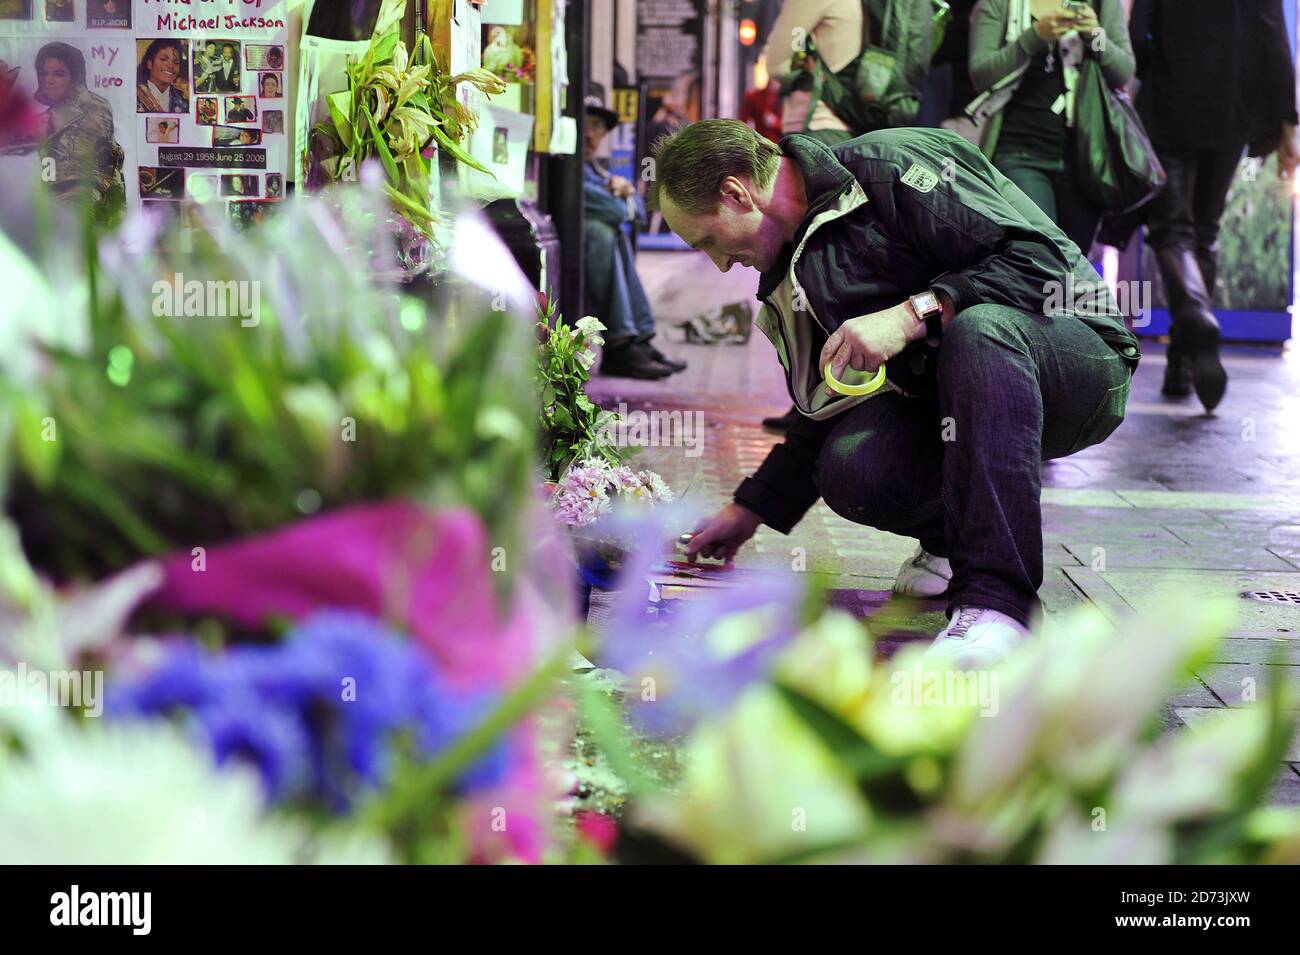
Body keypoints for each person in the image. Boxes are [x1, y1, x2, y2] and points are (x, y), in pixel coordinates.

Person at [653, 120, 1139, 664]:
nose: (720, 264)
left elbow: (1039, 264)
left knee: (978, 332)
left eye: (711, 241)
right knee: (852, 467)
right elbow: (829, 403)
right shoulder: (801, 264)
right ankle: (954, 544)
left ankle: (1001, 607)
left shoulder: (890, 169)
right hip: (965, 394)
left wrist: (913, 315)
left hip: (1078, 355)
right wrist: (750, 509)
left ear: (736, 192)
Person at [1130, 0, 1298, 411]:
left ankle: (1193, 315)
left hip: (1170, 103)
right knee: (1205, 232)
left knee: (1171, 231)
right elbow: (1275, 42)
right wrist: (1289, 126)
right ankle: (1182, 364)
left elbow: (1137, 36)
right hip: (1232, 109)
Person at [967, 0, 1135, 254]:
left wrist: (1095, 36)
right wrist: (1034, 37)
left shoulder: (1101, 4)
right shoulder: (1000, 4)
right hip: (1018, 152)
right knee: (1038, 253)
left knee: (1074, 268)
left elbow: (1123, 72)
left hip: (1085, 161)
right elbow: (981, 75)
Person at [583, 83, 684, 380]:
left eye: (597, 127)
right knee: (602, 230)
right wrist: (624, 198)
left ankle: (637, 339)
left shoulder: (596, 169)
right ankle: (622, 344)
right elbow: (622, 211)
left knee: (611, 232)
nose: (590, 134)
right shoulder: (573, 166)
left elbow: (640, 210)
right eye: (585, 125)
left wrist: (626, 197)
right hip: (582, 253)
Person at [35, 42, 125, 220]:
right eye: (44, 74)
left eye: (58, 74)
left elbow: (107, 164)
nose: (49, 81)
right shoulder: (46, 118)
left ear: (75, 78)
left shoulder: (93, 107)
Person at [136, 38, 188, 113]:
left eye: (176, 62)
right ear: (149, 63)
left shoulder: (183, 101)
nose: (170, 66)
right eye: (163, 59)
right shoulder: (135, 96)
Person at [739, 76, 783, 144]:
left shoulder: (786, 99)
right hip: (759, 141)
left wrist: (775, 122)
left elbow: (790, 128)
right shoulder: (755, 96)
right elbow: (744, 119)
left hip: (778, 143)